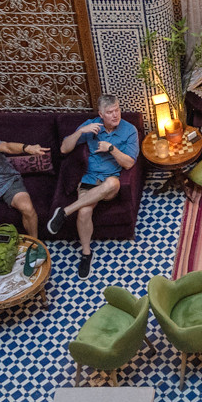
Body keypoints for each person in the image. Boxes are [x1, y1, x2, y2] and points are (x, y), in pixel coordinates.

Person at [46, 95, 138, 278]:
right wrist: (80, 132)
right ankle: (86, 253)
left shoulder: (129, 130)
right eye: (110, 112)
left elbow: (129, 164)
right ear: (101, 114)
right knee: (84, 212)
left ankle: (64, 211)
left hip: (110, 181)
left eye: (117, 110)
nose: (115, 115)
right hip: (90, 178)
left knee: (112, 183)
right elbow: (64, 149)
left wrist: (111, 149)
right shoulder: (91, 125)